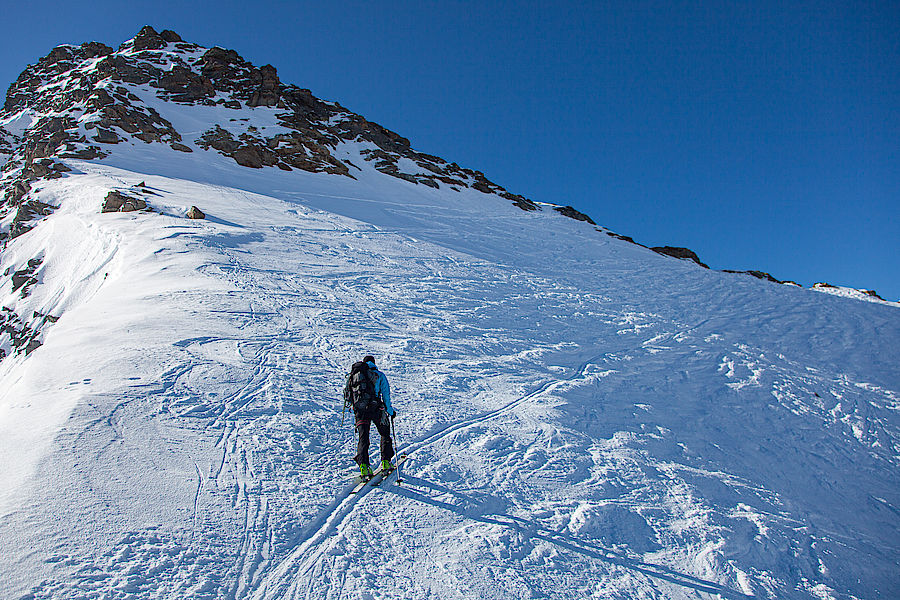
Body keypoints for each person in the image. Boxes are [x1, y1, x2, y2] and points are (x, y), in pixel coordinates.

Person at [344, 355, 397, 477]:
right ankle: (385, 461)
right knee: (384, 433)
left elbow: (348, 395)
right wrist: (390, 411)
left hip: (360, 410)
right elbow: (386, 395)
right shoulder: (379, 375)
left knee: (363, 437)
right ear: (374, 363)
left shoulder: (354, 376)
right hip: (376, 407)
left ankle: (364, 466)